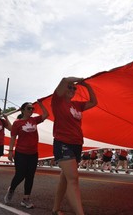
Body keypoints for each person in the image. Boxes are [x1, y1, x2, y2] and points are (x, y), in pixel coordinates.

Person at [51, 77, 97, 215]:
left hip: (77, 144)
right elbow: (65, 79)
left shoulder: (77, 105)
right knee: (73, 179)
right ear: (63, 89)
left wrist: (87, 86)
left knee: (65, 179)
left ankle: (55, 209)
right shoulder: (57, 101)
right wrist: (79, 79)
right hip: (63, 143)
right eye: (69, 87)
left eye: (74, 88)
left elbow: (94, 102)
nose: (72, 89)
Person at [4, 101, 49, 208]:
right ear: (23, 110)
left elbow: (46, 115)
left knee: (30, 176)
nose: (31, 110)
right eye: (29, 108)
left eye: (32, 108)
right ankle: (11, 189)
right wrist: (10, 152)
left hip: (33, 153)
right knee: (20, 175)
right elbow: (13, 137)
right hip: (21, 153)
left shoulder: (34, 120)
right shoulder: (17, 123)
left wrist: (41, 104)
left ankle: (26, 199)